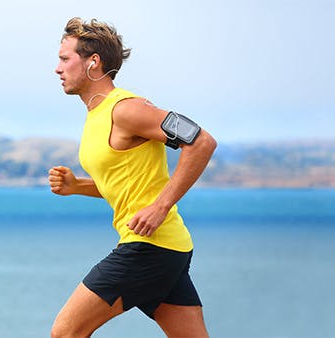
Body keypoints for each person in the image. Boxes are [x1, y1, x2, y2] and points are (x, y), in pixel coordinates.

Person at [49, 17, 217, 338]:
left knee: (65, 333)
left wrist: (160, 207)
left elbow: (201, 141)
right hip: (169, 248)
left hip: (148, 247)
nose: (57, 69)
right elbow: (125, 184)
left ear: (92, 63)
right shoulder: (98, 115)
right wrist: (77, 187)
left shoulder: (126, 109)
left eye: (64, 59)